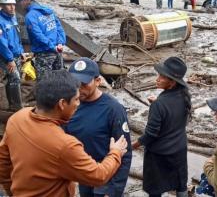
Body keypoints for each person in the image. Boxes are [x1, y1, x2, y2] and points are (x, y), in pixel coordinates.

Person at [0, 70, 128, 196]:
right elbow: (98, 176)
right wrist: (115, 153)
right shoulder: (65, 145)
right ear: (61, 104)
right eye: (76, 99)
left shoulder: (17, 118)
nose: (78, 104)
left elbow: (3, 163)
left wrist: (11, 191)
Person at [64, 58, 132, 197]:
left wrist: (113, 191)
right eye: (75, 83)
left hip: (106, 178)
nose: (79, 88)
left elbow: (125, 153)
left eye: (84, 83)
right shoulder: (70, 105)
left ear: (98, 81)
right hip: (84, 175)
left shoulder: (113, 109)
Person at [132, 57, 191, 197]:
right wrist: (157, 104)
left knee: (155, 189)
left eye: (162, 76)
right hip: (179, 150)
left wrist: (133, 145)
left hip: (159, 155)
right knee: (180, 184)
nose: (157, 79)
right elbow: (174, 117)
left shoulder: (159, 104)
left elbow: (151, 134)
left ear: (172, 82)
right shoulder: (184, 96)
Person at [16, 0, 66, 81]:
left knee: (44, 83)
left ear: (28, 0)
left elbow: (38, 35)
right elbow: (58, 28)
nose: (20, 3)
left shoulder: (30, 16)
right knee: (59, 81)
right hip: (58, 52)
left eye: (21, 0)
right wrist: (60, 43)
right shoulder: (48, 10)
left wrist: (51, 46)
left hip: (44, 53)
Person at [0, 0, 23, 111]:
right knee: (14, 78)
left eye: (13, 4)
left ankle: (13, 105)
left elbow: (17, 37)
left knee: (14, 80)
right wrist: (9, 59)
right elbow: (1, 43)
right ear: (2, 6)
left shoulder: (13, 18)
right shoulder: (1, 21)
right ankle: (17, 107)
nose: (12, 7)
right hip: (6, 57)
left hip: (16, 55)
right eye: (9, 5)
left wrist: (21, 51)